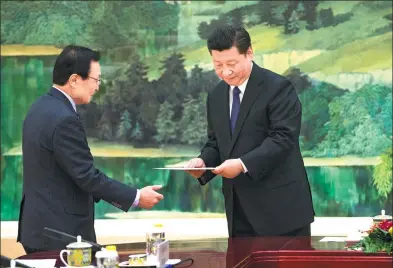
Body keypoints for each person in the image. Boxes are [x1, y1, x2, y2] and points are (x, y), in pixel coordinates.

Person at [17, 45, 164, 253]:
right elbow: (87, 176)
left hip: (38, 227)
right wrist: (136, 196)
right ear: (75, 79)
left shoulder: (40, 107)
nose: (97, 87)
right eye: (96, 80)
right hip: (60, 233)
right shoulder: (64, 119)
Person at [186, 25, 315, 237]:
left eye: (231, 64)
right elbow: (216, 143)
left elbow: (283, 139)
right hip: (238, 212)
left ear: (249, 53)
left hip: (282, 211)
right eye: (218, 65)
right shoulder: (216, 95)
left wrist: (242, 164)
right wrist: (202, 163)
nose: (225, 72)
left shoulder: (278, 88)